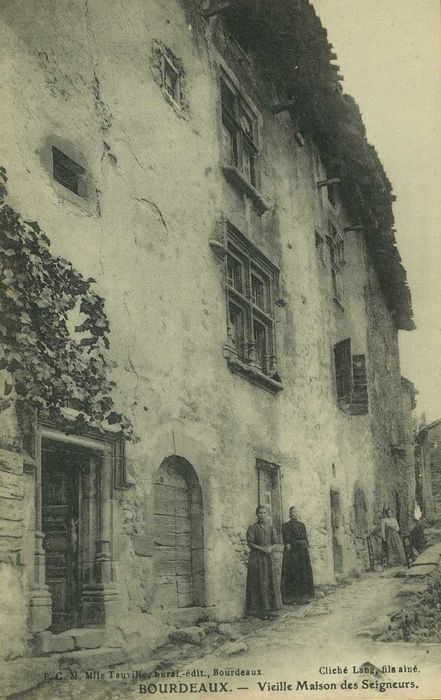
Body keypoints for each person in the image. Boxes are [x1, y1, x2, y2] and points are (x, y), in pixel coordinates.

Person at [245, 506, 282, 619]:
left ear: (267, 514)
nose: (262, 515)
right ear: (257, 514)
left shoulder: (271, 528)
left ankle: (270, 609)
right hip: (256, 557)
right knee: (258, 581)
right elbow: (250, 543)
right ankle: (258, 610)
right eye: (260, 513)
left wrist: (271, 548)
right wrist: (263, 549)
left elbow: (276, 541)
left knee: (269, 581)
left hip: (268, 558)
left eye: (264, 512)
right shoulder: (252, 528)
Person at [281, 506, 314, 604]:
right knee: (292, 574)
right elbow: (287, 540)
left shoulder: (302, 525)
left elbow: (305, 538)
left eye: (297, 512)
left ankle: (304, 597)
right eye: (293, 512)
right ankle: (292, 599)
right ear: (290, 514)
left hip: (302, 553)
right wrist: (289, 543)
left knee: (303, 573)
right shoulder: (286, 525)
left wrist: (304, 544)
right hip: (292, 554)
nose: (295, 514)